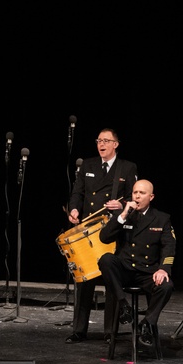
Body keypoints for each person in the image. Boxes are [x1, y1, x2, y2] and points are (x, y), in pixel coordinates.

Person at [64, 128, 137, 343]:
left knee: (110, 279)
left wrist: (121, 204)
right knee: (84, 279)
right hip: (89, 229)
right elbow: (78, 193)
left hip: (113, 229)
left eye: (106, 140)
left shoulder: (127, 167)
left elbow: (134, 198)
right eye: (99, 140)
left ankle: (110, 331)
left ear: (116, 144)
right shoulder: (88, 165)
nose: (101, 144)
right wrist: (74, 210)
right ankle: (79, 329)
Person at [97, 178, 176, 349]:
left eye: (142, 193)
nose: (137, 196)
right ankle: (123, 305)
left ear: (151, 197)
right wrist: (123, 215)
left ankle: (147, 323)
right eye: (135, 192)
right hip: (125, 270)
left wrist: (163, 269)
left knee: (166, 285)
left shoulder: (161, 218)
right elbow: (104, 238)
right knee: (105, 259)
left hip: (147, 273)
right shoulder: (123, 216)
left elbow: (169, 246)